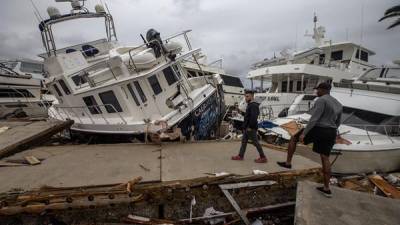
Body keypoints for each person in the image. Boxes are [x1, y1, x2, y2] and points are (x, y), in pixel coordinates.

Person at [277, 82, 342, 198]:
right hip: (331, 131)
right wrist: (332, 132)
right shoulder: (338, 104)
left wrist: (305, 133)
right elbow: (338, 123)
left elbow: (314, 119)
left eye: (318, 90)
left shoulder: (321, 100)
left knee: (294, 137)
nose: (316, 91)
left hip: (320, 128)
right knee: (325, 157)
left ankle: (288, 163)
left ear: (323, 90)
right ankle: (327, 188)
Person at [232, 90, 267, 163]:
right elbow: (248, 116)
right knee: (244, 142)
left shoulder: (253, 105)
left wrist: (250, 127)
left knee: (256, 143)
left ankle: (263, 157)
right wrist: (241, 112)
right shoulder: (250, 105)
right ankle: (240, 156)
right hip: (247, 128)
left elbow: (253, 118)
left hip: (250, 128)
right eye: (245, 96)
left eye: (247, 96)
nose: (245, 98)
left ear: (252, 96)